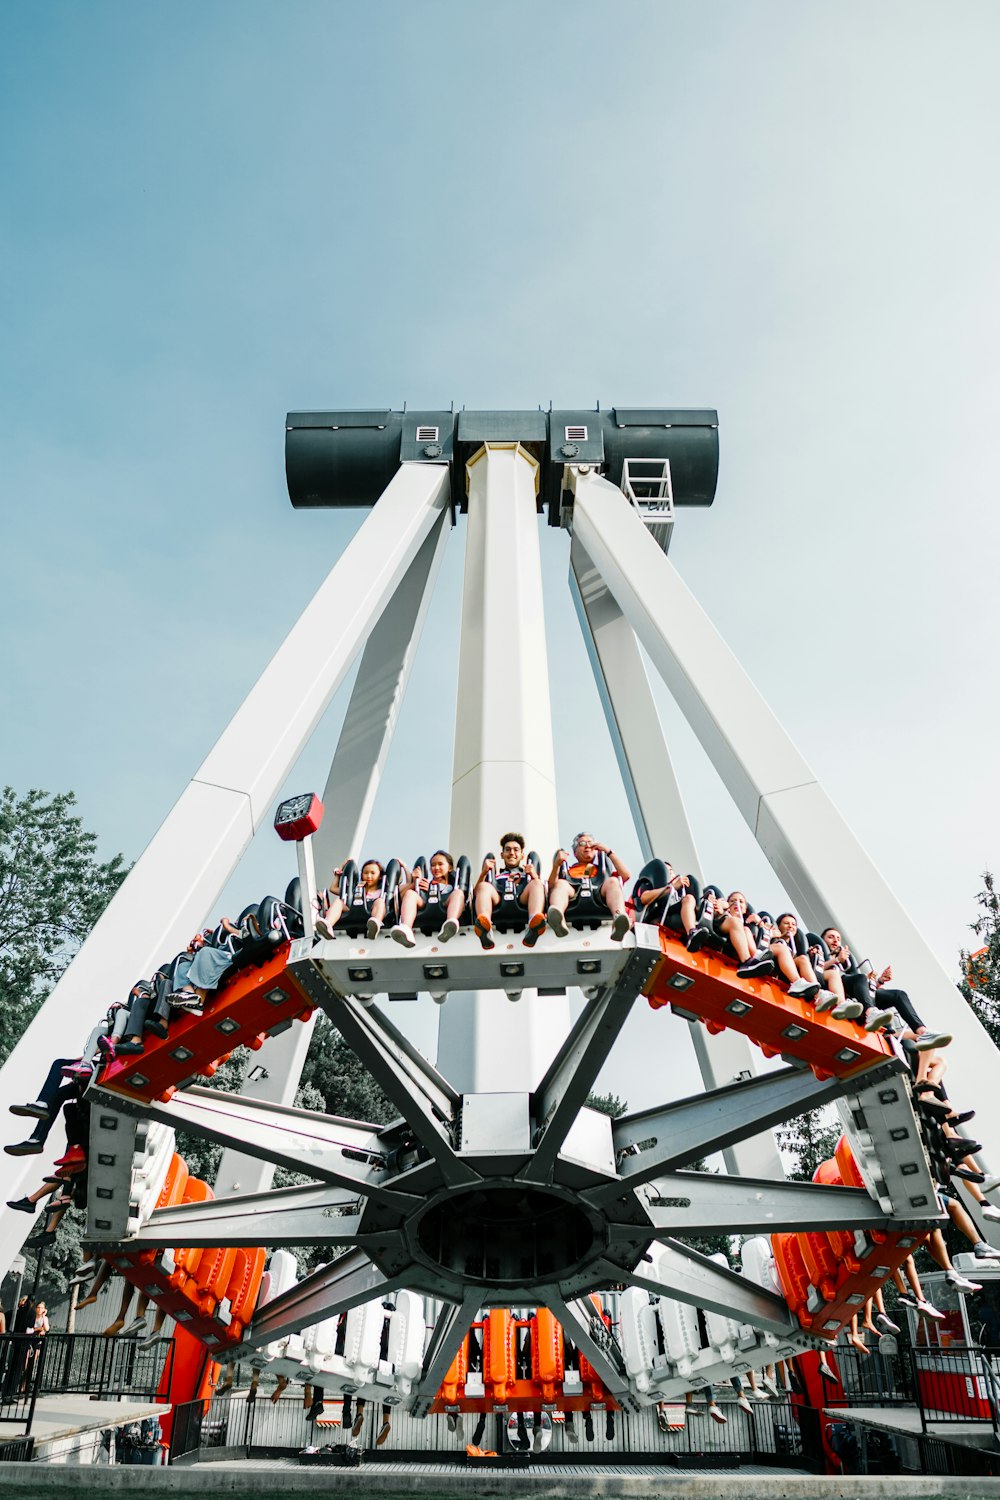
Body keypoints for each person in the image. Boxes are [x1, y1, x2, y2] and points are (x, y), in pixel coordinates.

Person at [546, 834, 631, 941]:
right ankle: (557, 918)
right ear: (575, 852)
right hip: (573, 895)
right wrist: (556, 865)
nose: (587, 846)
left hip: (599, 894)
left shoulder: (601, 870)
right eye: (582, 844)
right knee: (560, 884)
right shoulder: (568, 871)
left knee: (613, 881)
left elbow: (626, 875)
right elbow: (551, 886)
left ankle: (619, 919)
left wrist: (608, 851)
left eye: (591, 843)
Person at [472, 835, 546, 950]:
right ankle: (484, 927)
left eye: (516, 850)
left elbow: (540, 891)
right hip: (499, 899)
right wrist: (483, 873)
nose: (512, 853)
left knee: (537, 884)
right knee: (484, 886)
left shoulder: (527, 875)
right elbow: (477, 894)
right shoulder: (496, 877)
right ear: (502, 855)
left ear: (522, 855)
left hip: (522, 898)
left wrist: (534, 875)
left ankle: (534, 925)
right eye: (508, 850)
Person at [392, 851, 465, 947]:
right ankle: (406, 928)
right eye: (433, 865)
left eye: (440, 864)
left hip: (445, 906)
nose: (436, 868)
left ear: (450, 867)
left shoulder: (453, 887)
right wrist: (414, 881)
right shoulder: (426, 883)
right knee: (410, 893)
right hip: (426, 906)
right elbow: (399, 894)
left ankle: (450, 924)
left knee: (458, 893)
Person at [316, 859, 392, 941]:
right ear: (362, 875)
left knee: (380, 901)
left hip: (371, 912)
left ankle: (375, 925)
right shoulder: (355, 890)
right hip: (353, 910)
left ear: (380, 876)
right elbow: (333, 889)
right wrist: (339, 874)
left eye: (373, 873)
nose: (369, 876)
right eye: (366, 873)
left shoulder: (382, 892)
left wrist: (404, 868)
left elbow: (407, 886)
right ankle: (327, 925)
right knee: (339, 900)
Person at [632, 863, 704, 948]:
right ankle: (691, 933)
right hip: (660, 913)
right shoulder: (653, 885)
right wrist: (670, 887)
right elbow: (644, 898)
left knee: (690, 898)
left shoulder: (682, 892)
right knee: (689, 898)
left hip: (677, 911)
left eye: (671, 871)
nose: (669, 873)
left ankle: (693, 932)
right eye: (666, 871)